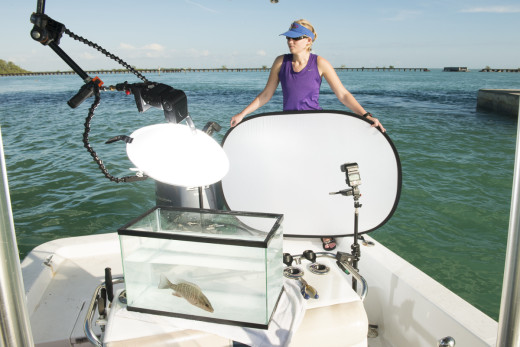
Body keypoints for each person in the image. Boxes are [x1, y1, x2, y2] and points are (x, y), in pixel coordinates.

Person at [230, 19, 386, 250]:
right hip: (288, 129)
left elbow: (342, 94)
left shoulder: (320, 63)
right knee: (285, 177)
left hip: (315, 129)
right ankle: (289, 222)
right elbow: (266, 95)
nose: (290, 41)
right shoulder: (280, 62)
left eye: (295, 38)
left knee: (318, 178)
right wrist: (243, 114)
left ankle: (323, 228)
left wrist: (366, 115)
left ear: (308, 41)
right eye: (288, 38)